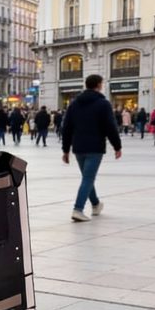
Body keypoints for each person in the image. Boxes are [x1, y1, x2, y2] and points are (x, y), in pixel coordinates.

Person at [60, 74, 123, 223]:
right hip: (95, 147)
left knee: (87, 178)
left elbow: (67, 127)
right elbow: (110, 126)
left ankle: (95, 204)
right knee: (88, 178)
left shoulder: (74, 104)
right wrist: (117, 146)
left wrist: (66, 149)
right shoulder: (103, 104)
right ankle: (78, 209)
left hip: (79, 147)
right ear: (99, 85)